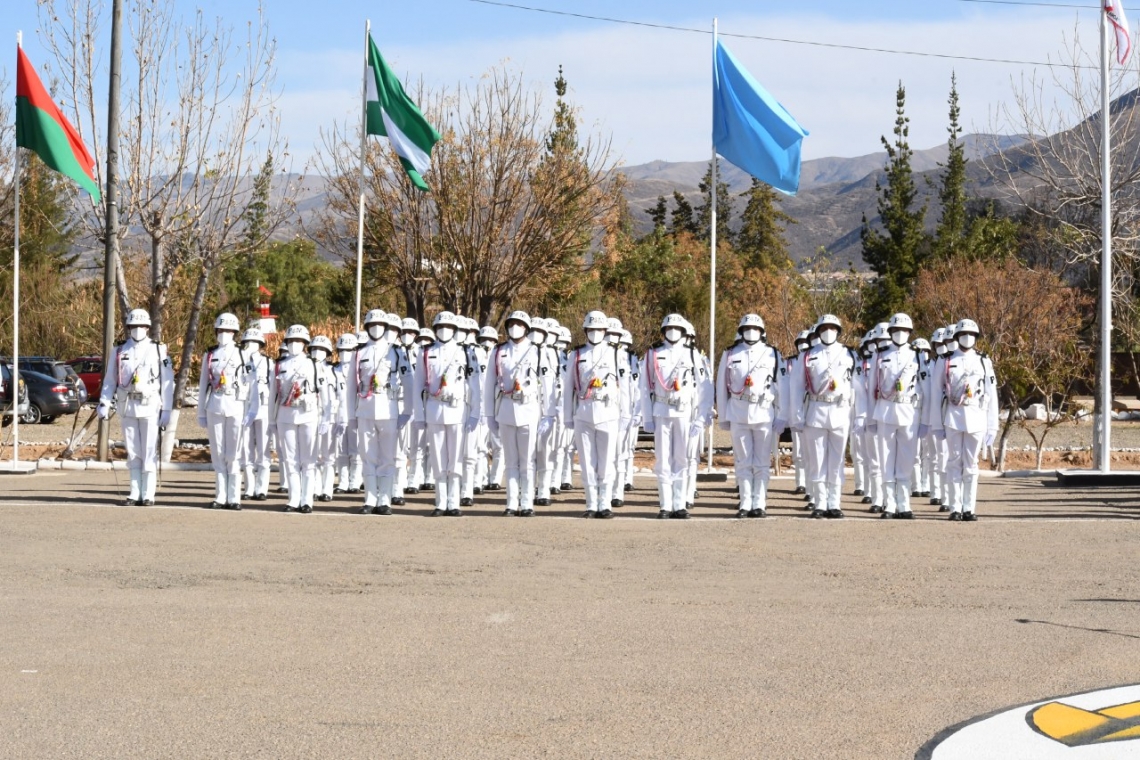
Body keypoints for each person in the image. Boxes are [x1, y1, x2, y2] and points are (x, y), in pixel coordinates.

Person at [96, 308, 174, 506]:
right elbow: (110, 380)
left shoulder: (158, 349)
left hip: (150, 406)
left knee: (148, 450)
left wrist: (167, 409)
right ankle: (134, 491)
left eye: (141, 326)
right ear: (128, 327)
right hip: (128, 405)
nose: (138, 329)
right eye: (134, 326)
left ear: (148, 327)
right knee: (133, 450)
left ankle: (148, 494)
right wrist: (105, 401)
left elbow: (167, 381)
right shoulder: (119, 350)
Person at [640, 313, 713, 519]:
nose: (673, 333)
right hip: (661, 411)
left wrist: (700, 416)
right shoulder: (653, 354)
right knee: (663, 459)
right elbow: (645, 387)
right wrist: (647, 417)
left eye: (677, 329)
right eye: (669, 328)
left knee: (681, 458)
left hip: (684, 412)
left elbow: (705, 388)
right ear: (663, 331)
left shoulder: (692, 355)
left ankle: (680, 504)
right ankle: (665, 505)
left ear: (683, 332)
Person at [484, 310, 556, 516]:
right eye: (511, 323)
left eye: (519, 323)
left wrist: (549, 414)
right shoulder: (499, 351)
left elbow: (547, 385)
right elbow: (489, 385)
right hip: (506, 409)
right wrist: (489, 414)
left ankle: (527, 503)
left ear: (526, 328)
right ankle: (511, 503)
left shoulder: (538, 351)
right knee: (510, 460)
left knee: (528, 460)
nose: (514, 327)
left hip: (529, 409)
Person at [926, 318, 998, 521]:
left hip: (976, 416)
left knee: (972, 464)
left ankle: (969, 508)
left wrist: (992, 426)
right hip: (953, 417)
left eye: (972, 335)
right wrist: (936, 424)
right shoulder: (946, 360)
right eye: (964, 334)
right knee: (954, 462)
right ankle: (955, 508)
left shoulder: (984, 360)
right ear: (957, 337)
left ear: (976, 338)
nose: (968, 338)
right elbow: (935, 392)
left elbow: (991, 394)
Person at [789, 314, 856, 519]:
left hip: (840, 411)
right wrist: (797, 416)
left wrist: (857, 416)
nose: (829, 331)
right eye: (824, 327)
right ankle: (819, 502)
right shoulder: (808, 355)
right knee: (817, 460)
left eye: (833, 327)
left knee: (836, 461)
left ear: (838, 330)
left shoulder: (849, 354)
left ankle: (834, 503)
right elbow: (796, 387)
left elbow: (857, 386)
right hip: (815, 411)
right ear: (818, 331)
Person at [717, 314, 783, 518]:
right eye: (747, 328)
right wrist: (723, 416)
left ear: (762, 332)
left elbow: (782, 385)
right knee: (743, 461)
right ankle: (745, 502)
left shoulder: (772, 354)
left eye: (755, 329)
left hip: (763, 413)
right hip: (738, 413)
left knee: (762, 462)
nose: (751, 332)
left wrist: (781, 415)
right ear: (741, 331)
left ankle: (760, 502)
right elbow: (721, 386)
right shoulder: (730, 353)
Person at [563, 310, 628, 518]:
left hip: (608, 413)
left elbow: (624, 387)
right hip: (583, 413)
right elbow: (568, 388)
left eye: (599, 329)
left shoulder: (616, 353)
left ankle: (605, 503)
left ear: (605, 331)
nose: (595, 333)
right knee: (587, 462)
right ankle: (591, 504)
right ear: (585, 330)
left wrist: (625, 415)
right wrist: (567, 416)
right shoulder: (576, 354)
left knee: (607, 461)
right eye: (591, 329)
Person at [414, 311, 480, 516]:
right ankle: (440, 502)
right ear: (434, 330)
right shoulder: (425, 352)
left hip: (457, 410)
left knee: (456, 458)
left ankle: (454, 503)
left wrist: (475, 413)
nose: (445, 331)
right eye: (441, 327)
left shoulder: (466, 352)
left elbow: (475, 385)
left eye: (449, 328)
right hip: (434, 409)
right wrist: (419, 415)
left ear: (454, 330)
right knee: (438, 458)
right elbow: (418, 385)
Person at [349, 309, 412, 515]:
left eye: (379, 325)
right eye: (371, 325)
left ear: (386, 328)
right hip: (365, 410)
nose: (375, 328)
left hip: (389, 408)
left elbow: (408, 381)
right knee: (367, 456)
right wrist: (351, 415)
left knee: (387, 457)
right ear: (366, 328)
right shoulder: (359, 352)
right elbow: (351, 386)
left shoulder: (396, 351)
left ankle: (384, 500)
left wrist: (408, 410)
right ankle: (369, 499)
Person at [198, 312, 259, 510]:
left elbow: (253, 385)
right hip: (215, 405)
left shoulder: (244, 354)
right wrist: (200, 412)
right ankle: (220, 496)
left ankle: (234, 497)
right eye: (221, 330)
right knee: (218, 452)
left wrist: (252, 411)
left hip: (236, 405)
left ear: (235, 332)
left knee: (234, 454)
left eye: (228, 330)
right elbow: (203, 386)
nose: (224, 333)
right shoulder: (210, 355)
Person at [869, 313, 922, 519]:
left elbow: (923, 388)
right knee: (886, 459)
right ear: (890, 333)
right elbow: (871, 386)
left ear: (910, 333)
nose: (901, 334)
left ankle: (904, 504)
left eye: (905, 331)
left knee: (907, 460)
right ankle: (889, 504)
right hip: (885, 410)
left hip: (909, 411)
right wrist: (871, 417)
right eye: (896, 330)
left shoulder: (917, 355)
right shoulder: (880, 354)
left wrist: (925, 419)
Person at [273, 324, 322, 513]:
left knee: (308, 460)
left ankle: (307, 500)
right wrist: (271, 420)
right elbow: (273, 396)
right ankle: (294, 499)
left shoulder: (313, 364)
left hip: (308, 415)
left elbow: (322, 394)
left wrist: (324, 419)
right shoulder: (279, 365)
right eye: (291, 341)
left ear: (305, 343)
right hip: (285, 416)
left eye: (298, 341)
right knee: (290, 460)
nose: (294, 344)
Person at [240, 327, 274, 502]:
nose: (250, 345)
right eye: (247, 342)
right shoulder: (239, 360)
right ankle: (249, 488)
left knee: (262, 448)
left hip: (263, 409)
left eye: (254, 342)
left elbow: (274, 388)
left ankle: (262, 488)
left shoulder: (269, 363)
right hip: (245, 409)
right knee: (245, 449)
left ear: (261, 344)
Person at [308, 335, 339, 503]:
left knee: (328, 456)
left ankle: (327, 490)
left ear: (327, 352)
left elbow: (341, 396)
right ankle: (314, 487)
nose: (316, 352)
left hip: (330, 417)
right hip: (311, 416)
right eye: (313, 349)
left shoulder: (334, 371)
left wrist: (341, 419)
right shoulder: (306, 368)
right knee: (313, 455)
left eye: (320, 349)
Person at [332, 333, 362, 496]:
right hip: (339, 417)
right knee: (341, 452)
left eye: (349, 350)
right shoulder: (333, 370)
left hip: (355, 415)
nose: (345, 353)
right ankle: (343, 482)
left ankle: (355, 482)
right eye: (342, 350)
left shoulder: (359, 370)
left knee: (355, 451)